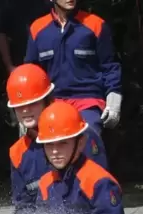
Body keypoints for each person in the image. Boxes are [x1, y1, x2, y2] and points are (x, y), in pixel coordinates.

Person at [8, 63, 107, 214]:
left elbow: (102, 195)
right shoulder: (17, 153)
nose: (25, 111)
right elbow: (23, 206)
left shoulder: (80, 135)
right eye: (19, 107)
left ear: (47, 100)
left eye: (32, 103)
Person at [25, 0, 122, 135]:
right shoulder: (37, 28)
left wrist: (114, 102)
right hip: (51, 103)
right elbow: (30, 73)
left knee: (86, 140)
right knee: (45, 147)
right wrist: (26, 108)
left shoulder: (96, 25)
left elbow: (110, 66)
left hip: (88, 101)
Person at [0, 0, 51, 74]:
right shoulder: (8, 7)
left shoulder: (45, 6)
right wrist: (9, 65)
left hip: (45, 61)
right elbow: (1, 35)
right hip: (19, 63)